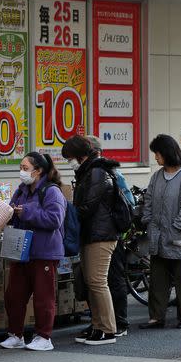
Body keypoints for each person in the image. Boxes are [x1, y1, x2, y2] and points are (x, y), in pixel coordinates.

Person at [0, 152, 66, 351]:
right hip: (22, 250)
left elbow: (55, 219)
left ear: (38, 171)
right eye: (21, 167)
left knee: (43, 297)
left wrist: (27, 212)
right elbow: (12, 212)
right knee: (14, 295)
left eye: (25, 168)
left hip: (44, 251)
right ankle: (15, 334)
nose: (22, 172)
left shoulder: (51, 191)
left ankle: (44, 336)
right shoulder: (21, 190)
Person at [139, 135, 181, 330]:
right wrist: (148, 222)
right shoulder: (156, 176)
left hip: (178, 237)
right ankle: (156, 317)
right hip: (157, 236)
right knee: (157, 279)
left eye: (157, 153)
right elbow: (148, 202)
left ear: (166, 153)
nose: (155, 158)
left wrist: (174, 229)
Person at [61, 135, 119, 345]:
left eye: (70, 158)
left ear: (81, 155)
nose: (70, 162)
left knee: (97, 282)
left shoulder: (95, 172)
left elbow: (88, 206)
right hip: (92, 234)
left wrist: (67, 211)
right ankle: (98, 326)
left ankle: (108, 329)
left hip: (100, 235)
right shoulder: (89, 171)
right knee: (91, 282)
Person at [86, 135, 130, 336]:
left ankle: (119, 321)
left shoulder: (110, 172)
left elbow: (128, 202)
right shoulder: (88, 172)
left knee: (112, 278)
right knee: (97, 280)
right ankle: (100, 322)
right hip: (98, 232)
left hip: (111, 233)